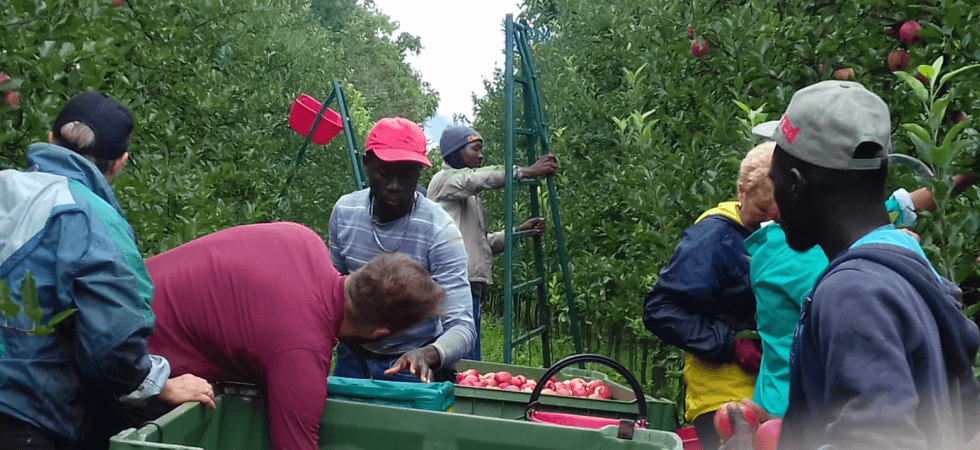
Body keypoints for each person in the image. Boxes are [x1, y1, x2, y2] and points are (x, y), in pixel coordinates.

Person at [756, 80, 980, 449]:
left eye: (773, 179)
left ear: (794, 186)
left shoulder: (852, 293)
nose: (774, 203)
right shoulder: (908, 268)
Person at [0, 92, 212, 450]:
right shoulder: (94, 221)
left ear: (50, 139)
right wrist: (159, 384)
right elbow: (114, 346)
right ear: (120, 163)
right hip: (29, 421)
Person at [145, 222, 445, 450]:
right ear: (380, 333)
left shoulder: (302, 238)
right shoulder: (301, 354)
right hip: (132, 366)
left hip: (126, 295)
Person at [642, 141, 777, 450]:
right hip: (723, 399)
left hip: (766, 395)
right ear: (741, 192)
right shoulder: (713, 237)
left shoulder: (778, 237)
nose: (768, 220)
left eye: (777, 213)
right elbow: (660, 310)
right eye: (761, 210)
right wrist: (730, 344)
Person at [329, 117, 475, 382]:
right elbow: (331, 294)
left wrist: (429, 354)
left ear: (420, 173)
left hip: (410, 366)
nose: (395, 184)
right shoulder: (345, 213)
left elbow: (462, 326)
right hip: (352, 359)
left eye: (406, 174)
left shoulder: (440, 230)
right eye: (385, 172)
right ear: (367, 164)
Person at [427, 125, 558, 360]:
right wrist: (525, 171)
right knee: (459, 359)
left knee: (469, 359)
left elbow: (481, 245)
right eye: (475, 149)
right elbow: (476, 178)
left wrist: (518, 231)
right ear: (456, 152)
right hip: (451, 289)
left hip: (470, 289)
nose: (481, 155)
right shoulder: (444, 181)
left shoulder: (468, 196)